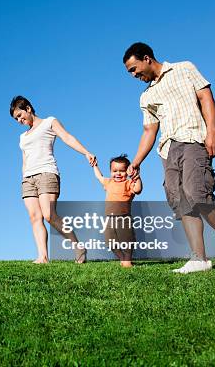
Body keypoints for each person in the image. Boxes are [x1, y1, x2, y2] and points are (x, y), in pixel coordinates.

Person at [122, 42, 215, 273]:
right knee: (180, 200)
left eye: (134, 69)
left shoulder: (184, 68)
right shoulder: (146, 97)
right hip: (168, 149)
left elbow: (206, 97)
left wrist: (212, 132)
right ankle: (199, 259)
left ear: (147, 58)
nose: (134, 75)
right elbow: (149, 131)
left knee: (197, 192)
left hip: (194, 138)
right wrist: (136, 161)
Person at [10, 95, 97, 264]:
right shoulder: (23, 137)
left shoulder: (49, 122)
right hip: (28, 178)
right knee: (35, 217)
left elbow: (67, 137)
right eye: (16, 119)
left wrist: (86, 152)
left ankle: (77, 245)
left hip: (47, 173)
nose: (19, 120)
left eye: (20, 116)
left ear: (28, 108)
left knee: (49, 215)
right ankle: (43, 256)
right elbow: (24, 159)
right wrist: (23, 177)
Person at [93, 154, 142, 268]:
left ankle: (127, 260)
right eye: (115, 171)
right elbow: (99, 177)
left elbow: (138, 190)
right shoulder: (109, 182)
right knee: (109, 241)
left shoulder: (128, 183)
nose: (118, 174)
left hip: (124, 217)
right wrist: (95, 166)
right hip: (109, 218)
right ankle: (122, 258)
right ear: (110, 171)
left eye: (122, 171)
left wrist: (137, 177)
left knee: (126, 239)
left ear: (127, 171)